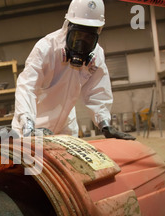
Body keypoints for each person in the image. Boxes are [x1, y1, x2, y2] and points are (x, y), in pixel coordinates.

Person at [11, 0, 135, 140]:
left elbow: (98, 92)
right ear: (67, 28)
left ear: (98, 33)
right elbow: (27, 87)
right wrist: (28, 127)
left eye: (88, 39)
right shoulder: (46, 48)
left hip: (65, 127)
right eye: (77, 37)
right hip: (32, 126)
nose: (81, 45)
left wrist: (105, 125)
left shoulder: (96, 55)